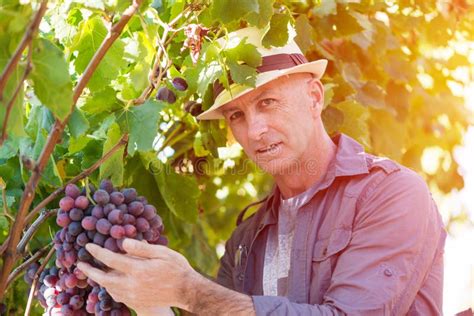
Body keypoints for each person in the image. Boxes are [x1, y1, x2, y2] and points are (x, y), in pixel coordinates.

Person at [78, 27, 447, 315]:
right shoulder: (246, 239)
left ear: (314, 97)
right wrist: (152, 303)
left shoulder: (391, 195)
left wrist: (188, 291)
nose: (254, 131)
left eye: (268, 103)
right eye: (237, 116)